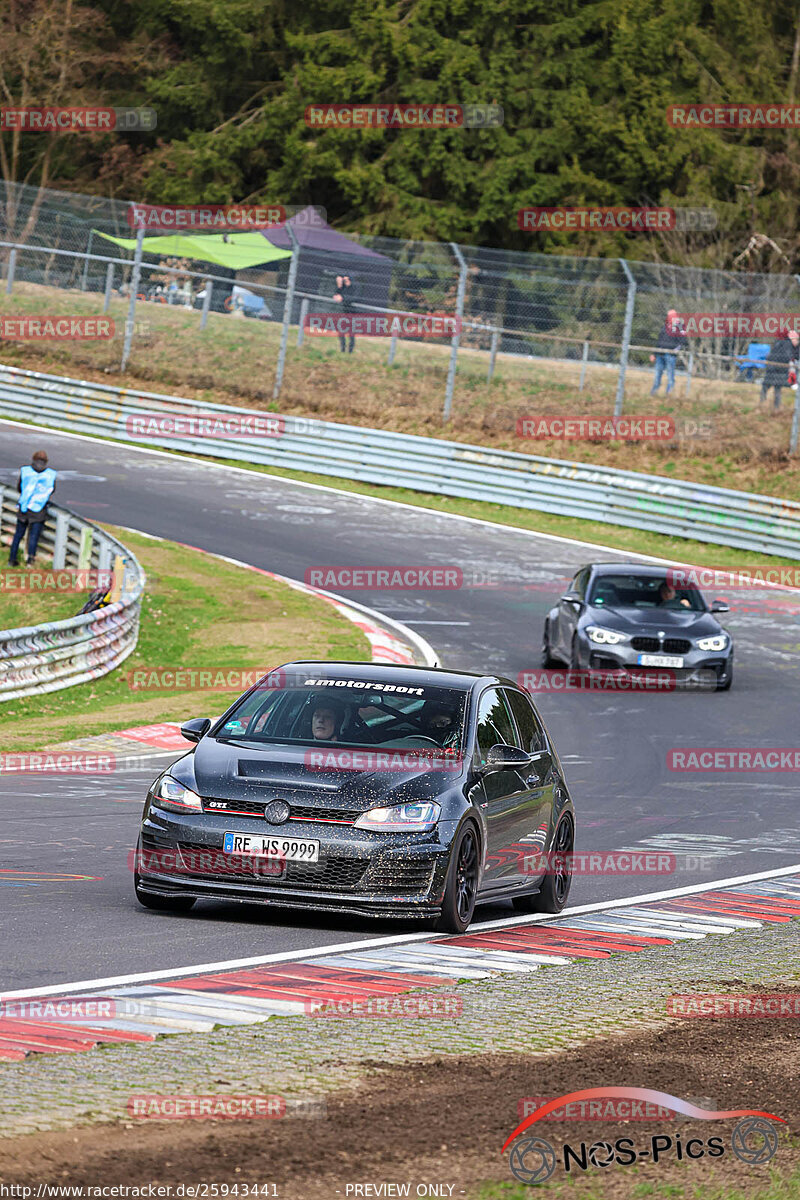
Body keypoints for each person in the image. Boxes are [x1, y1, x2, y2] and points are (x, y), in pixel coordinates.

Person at [8, 450, 57, 567]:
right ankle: (30, 561)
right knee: (34, 536)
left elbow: (19, 487)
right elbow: (52, 490)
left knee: (18, 535)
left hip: (24, 506)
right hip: (39, 508)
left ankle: (12, 559)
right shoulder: (51, 475)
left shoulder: (25, 471)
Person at [760, 329, 799, 410]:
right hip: (777, 369)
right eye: (796, 339)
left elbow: (790, 356)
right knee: (774, 388)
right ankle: (772, 406)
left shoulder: (783, 343)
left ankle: (765, 404)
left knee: (769, 387)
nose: (797, 341)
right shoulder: (785, 344)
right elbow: (785, 356)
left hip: (776, 369)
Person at [650, 310, 687, 395]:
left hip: (670, 354)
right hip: (660, 353)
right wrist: (654, 353)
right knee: (657, 374)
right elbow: (659, 341)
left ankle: (669, 393)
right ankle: (654, 392)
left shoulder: (680, 326)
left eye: (672, 315)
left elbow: (683, 340)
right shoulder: (665, 326)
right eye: (669, 315)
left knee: (670, 374)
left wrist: (675, 350)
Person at [333, 273, 357, 353]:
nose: (345, 282)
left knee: (351, 334)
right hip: (345, 312)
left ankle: (350, 351)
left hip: (353, 313)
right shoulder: (344, 287)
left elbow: (355, 298)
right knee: (341, 332)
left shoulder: (355, 287)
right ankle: (342, 349)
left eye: (346, 280)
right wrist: (339, 286)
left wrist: (343, 298)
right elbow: (337, 295)